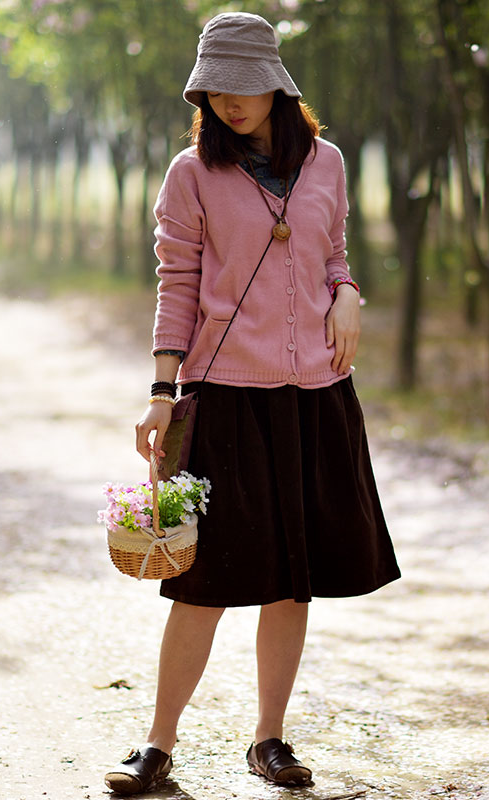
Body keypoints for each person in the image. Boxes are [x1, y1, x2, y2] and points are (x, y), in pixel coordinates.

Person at [103, 12, 400, 796]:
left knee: (289, 580)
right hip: (228, 397)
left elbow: (334, 253)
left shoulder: (327, 163)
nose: (229, 102)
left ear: (277, 82)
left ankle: (269, 738)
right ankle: (157, 744)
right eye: (214, 88)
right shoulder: (192, 174)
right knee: (204, 580)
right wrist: (163, 394)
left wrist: (348, 294)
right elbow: (179, 288)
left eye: (243, 85)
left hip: (315, 398)